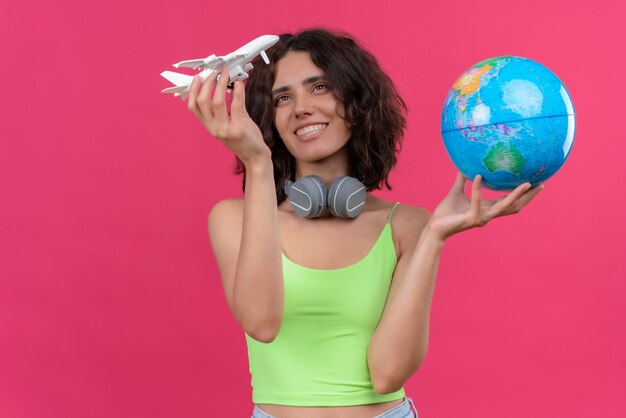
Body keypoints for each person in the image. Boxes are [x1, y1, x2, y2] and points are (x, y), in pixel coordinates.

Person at [186, 29, 543, 418]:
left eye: (319, 87)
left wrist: (435, 236)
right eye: (283, 98)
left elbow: (388, 375)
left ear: (355, 103)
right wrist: (257, 164)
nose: (301, 108)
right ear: (268, 118)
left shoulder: (407, 224)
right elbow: (261, 323)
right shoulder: (232, 219)